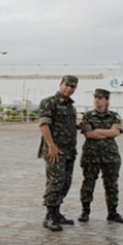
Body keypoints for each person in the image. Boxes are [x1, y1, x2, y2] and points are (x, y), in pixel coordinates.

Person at [37, 75, 80, 231]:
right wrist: (51, 145)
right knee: (55, 181)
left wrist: (78, 125)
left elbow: (66, 125)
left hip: (69, 150)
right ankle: (49, 216)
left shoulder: (70, 106)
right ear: (61, 84)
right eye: (67, 85)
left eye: (73, 87)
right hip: (54, 150)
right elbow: (44, 124)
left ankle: (57, 213)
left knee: (65, 183)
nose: (69, 88)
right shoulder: (49, 102)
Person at [78, 88, 123, 224]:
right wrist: (107, 132)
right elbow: (88, 134)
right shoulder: (87, 115)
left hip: (110, 156)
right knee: (88, 182)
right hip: (91, 155)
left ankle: (112, 212)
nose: (97, 100)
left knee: (111, 184)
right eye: (95, 97)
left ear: (106, 100)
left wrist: (98, 131)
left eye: (100, 98)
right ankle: (85, 211)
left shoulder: (114, 116)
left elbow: (116, 132)